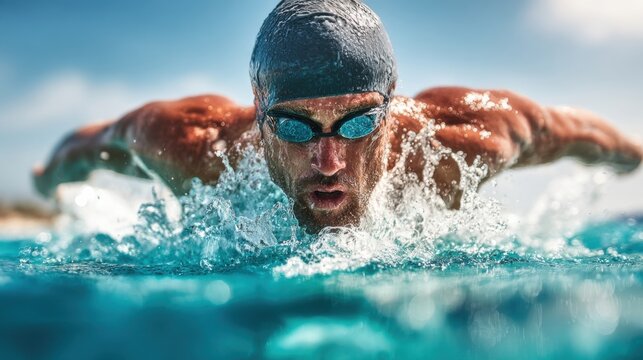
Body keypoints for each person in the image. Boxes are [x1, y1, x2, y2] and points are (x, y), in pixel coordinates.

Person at [33, 0, 642, 233]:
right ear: (259, 111)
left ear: (392, 104)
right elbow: (86, 148)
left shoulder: (464, 142)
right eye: (295, 127)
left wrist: (635, 157)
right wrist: (46, 181)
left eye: (356, 123)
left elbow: (579, 134)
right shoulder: (194, 148)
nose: (329, 161)